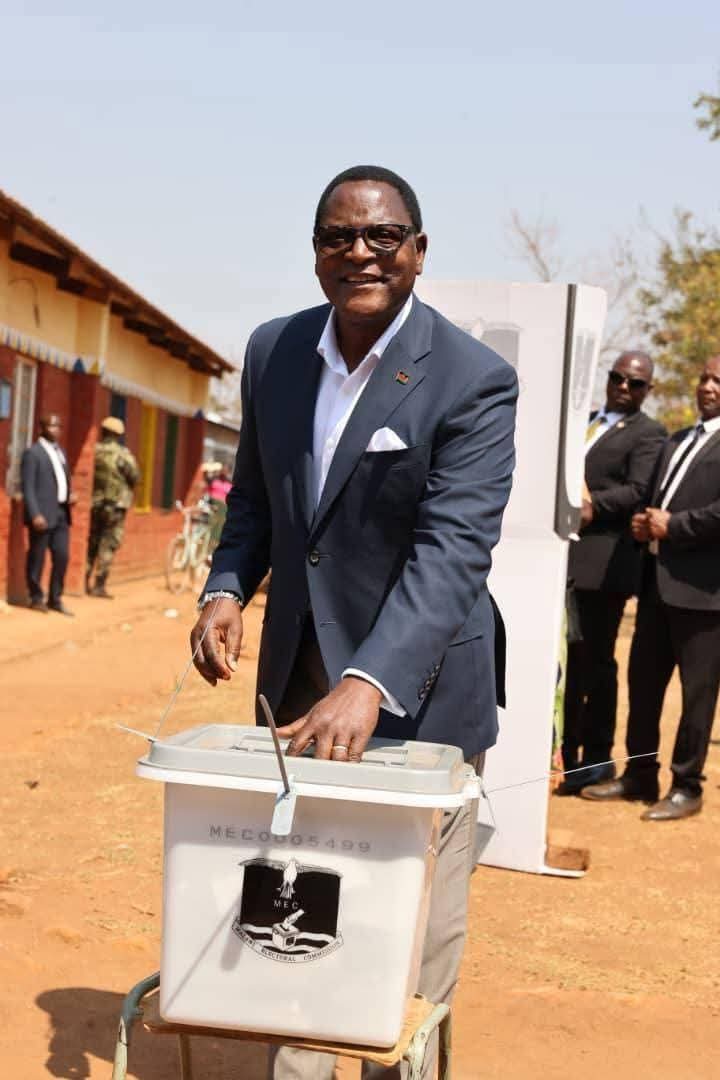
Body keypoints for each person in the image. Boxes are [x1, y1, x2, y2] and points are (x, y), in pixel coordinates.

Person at [189, 165, 517, 1079]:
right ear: (315, 253)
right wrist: (226, 586)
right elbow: (255, 499)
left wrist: (369, 680)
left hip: (422, 693)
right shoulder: (274, 350)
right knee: (298, 904)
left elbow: (453, 552)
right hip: (299, 684)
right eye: (340, 237)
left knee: (412, 925)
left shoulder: (473, 379)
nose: (361, 253)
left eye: (383, 236)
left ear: (418, 250)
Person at [583, 355, 720, 820]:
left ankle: (687, 785)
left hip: (705, 594)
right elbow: (650, 499)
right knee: (643, 687)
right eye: (704, 378)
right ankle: (640, 774)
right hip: (656, 585)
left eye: (718, 381)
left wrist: (672, 525)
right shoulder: (677, 440)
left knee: (696, 695)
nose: (708, 387)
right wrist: (644, 523)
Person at [557, 352, 666, 794]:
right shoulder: (583, 423)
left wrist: (593, 506)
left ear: (648, 390)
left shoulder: (649, 433)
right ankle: (564, 754)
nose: (623, 386)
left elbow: (639, 490)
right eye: (617, 377)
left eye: (635, 383)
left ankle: (596, 759)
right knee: (564, 664)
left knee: (594, 662)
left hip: (603, 565)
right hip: (560, 560)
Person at [21, 413, 75, 616]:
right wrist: (35, 513)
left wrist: (69, 495)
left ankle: (55, 598)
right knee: (37, 557)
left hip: (61, 512)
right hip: (42, 514)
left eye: (58, 426)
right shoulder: (32, 453)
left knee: (62, 556)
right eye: (51, 426)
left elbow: (61, 480)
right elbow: (28, 487)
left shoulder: (60, 452)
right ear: (41, 428)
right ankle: (36, 597)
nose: (56, 430)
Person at [86, 416, 139, 598]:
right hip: (115, 507)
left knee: (92, 542)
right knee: (108, 544)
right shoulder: (123, 455)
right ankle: (99, 585)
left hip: (95, 504)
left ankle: (84, 579)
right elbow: (135, 477)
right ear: (119, 434)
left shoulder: (94, 451)